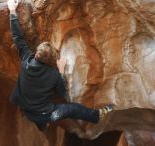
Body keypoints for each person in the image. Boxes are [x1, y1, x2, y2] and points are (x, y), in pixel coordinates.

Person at [7, 0, 113, 131]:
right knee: (74, 109)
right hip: (44, 114)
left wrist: (12, 10)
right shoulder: (54, 75)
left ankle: (42, 127)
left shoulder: (26, 60)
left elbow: (17, 36)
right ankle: (96, 116)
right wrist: (61, 71)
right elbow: (63, 93)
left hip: (24, 106)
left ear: (36, 54)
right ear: (50, 60)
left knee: (39, 121)